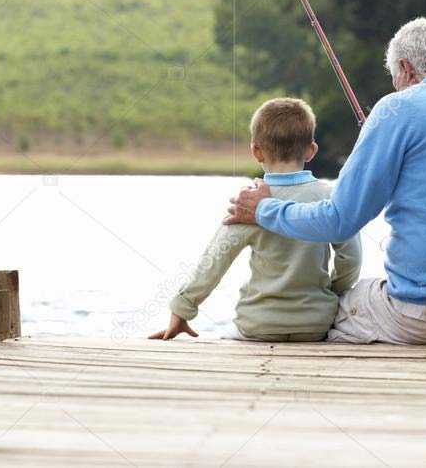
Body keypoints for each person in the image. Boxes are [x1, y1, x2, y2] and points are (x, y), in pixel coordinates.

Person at [225, 18, 426, 345]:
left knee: (334, 310)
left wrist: (264, 210)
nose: (395, 89)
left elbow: (338, 221)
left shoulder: (398, 107)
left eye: (394, 81)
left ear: (405, 69)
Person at [150, 98, 362, 342]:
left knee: (224, 342)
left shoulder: (248, 202)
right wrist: (331, 294)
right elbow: (352, 259)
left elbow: (215, 260)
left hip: (259, 324)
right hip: (316, 324)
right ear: (311, 150)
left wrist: (182, 309)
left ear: (256, 151)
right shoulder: (329, 197)